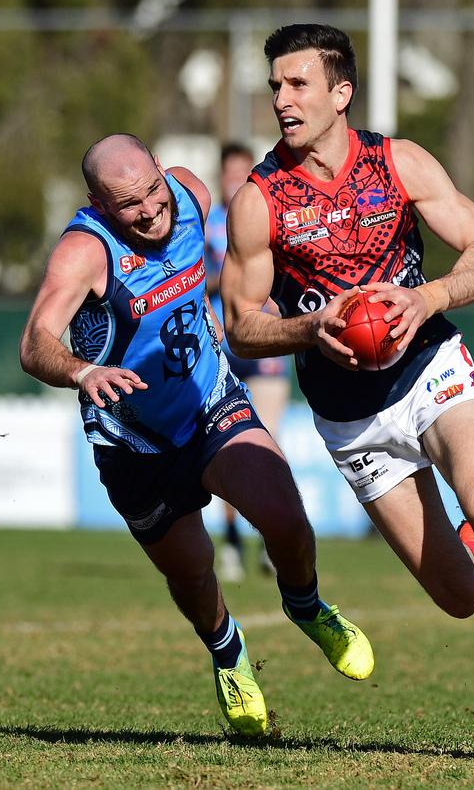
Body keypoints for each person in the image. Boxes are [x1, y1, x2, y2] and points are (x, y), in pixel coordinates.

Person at [220, 24, 474, 760]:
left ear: (341, 93)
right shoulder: (260, 198)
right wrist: (310, 331)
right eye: (275, 84)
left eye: (298, 83)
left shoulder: (396, 162)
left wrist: (426, 298)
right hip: (351, 416)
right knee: (457, 596)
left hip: (432, 367)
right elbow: (240, 327)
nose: (281, 98)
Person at [19, 132, 374, 738]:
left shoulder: (191, 190)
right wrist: (85, 370)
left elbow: (222, 264)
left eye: (153, 190)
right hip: (133, 441)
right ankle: (229, 655)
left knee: (285, 518)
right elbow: (34, 343)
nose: (151, 210)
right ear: (98, 203)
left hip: (211, 401)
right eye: (129, 204)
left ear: (163, 170)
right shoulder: (84, 251)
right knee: (192, 573)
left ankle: (307, 605)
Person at [205, 142, 291, 581]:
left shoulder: (268, 214)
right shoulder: (208, 224)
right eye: (229, 174)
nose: (235, 181)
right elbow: (191, 280)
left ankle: (269, 541)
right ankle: (234, 541)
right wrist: (223, 280)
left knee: (267, 443)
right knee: (231, 445)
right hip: (224, 344)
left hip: (266, 344)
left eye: (243, 172)